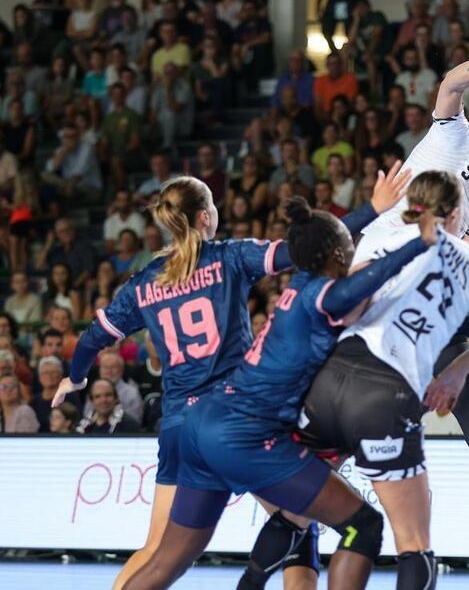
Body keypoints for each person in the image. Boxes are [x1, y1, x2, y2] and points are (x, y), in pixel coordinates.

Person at [123, 193, 431, 589]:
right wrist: (421, 240)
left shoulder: (302, 279)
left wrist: (376, 213)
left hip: (207, 422)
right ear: (338, 253)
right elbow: (368, 280)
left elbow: (336, 253)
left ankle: (251, 582)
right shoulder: (321, 294)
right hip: (246, 432)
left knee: (175, 557)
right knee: (362, 525)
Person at [322, 40, 469, 518]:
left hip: (424, 278)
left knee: (454, 373)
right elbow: (449, 86)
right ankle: (307, 446)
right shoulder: (457, 136)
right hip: (384, 258)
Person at [49, 176, 297, 589]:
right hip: (235, 418)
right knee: (295, 520)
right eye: (214, 205)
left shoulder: (145, 281)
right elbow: (300, 251)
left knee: (156, 548)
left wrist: (74, 379)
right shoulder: (229, 257)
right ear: (205, 215)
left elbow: (92, 338)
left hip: (180, 424)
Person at [295, 171, 469, 589]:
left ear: (411, 203)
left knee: (296, 517)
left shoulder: (380, 238)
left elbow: (346, 311)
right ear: (457, 213)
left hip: (330, 379)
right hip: (386, 393)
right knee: (413, 541)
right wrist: (453, 375)